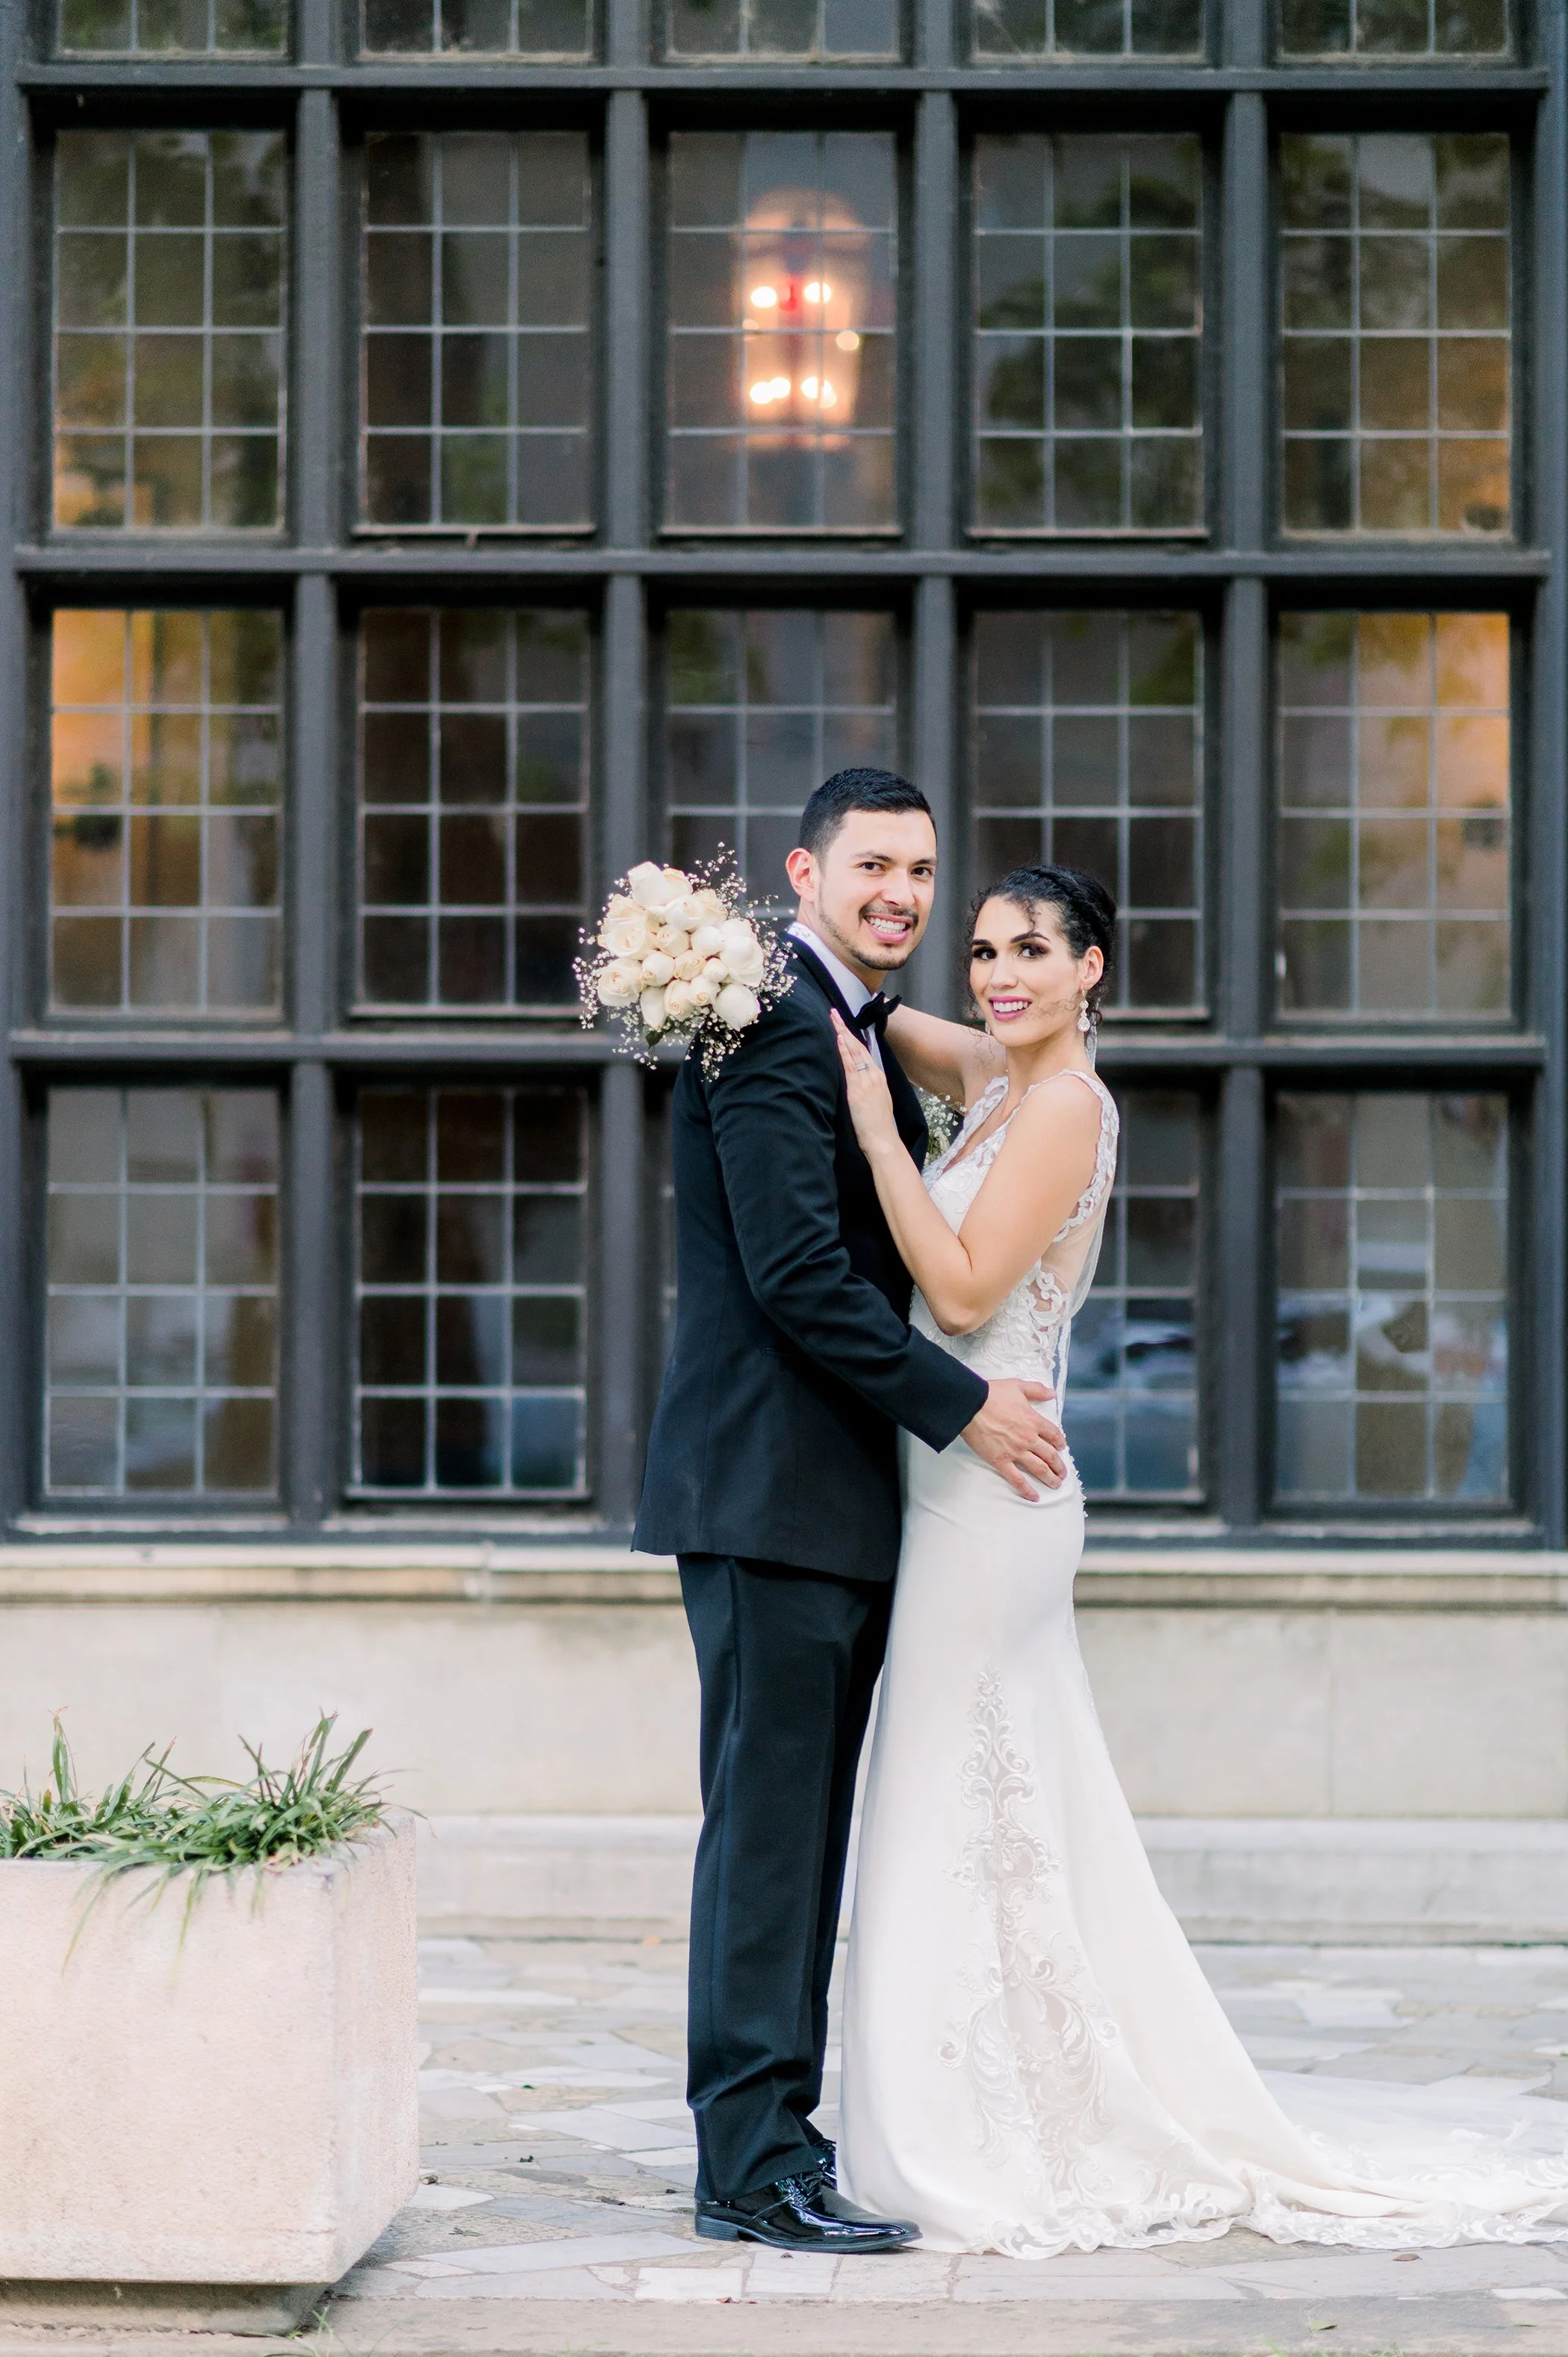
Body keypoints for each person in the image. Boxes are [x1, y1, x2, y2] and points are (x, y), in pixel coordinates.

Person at [833, 861, 1568, 2256]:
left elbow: (966, 1287)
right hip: (955, 1487)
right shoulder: (998, 1064)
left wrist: (878, 1137)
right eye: (986, 949)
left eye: (1033, 951)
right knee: (982, 1808)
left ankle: (995, 2130)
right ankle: (983, 2098)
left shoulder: (1062, 1107)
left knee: (962, 1798)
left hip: (995, 1507)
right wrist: (764, 956)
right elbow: (870, 1011)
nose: (998, 973)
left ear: (1092, 970)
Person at [634, 769, 1073, 2255]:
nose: (903, 893)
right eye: (874, 864)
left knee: (800, 1836)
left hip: (836, 1502)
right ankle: (748, 2165)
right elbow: (796, 1278)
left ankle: (781, 2138)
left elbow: (1015, 1067)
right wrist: (964, 1408)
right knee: (767, 1841)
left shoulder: (848, 1018)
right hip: (770, 1495)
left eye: (922, 871)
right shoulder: (764, 1023)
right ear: (803, 873)